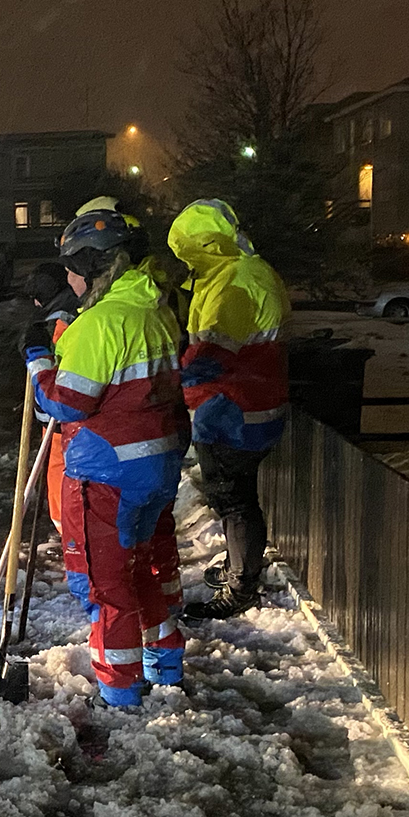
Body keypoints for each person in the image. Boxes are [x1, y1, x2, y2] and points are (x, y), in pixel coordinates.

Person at [22, 209, 190, 707]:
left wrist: (38, 361)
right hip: (155, 467)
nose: (69, 279)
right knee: (139, 571)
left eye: (72, 269)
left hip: (107, 473)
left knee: (104, 587)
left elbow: (66, 403)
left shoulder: (100, 324)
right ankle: (166, 665)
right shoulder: (153, 309)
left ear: (93, 267)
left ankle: (120, 695)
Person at [167, 199, 291, 621]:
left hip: (231, 410)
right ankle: (242, 566)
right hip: (252, 401)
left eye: (188, 252)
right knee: (239, 496)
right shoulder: (246, 272)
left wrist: (172, 376)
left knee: (233, 499)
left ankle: (241, 585)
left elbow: (212, 353)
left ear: (206, 245)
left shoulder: (233, 282)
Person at [24, 262, 79, 535]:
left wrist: (35, 355)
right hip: (63, 410)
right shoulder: (72, 305)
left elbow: (56, 363)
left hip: (60, 414)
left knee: (59, 467)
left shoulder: (59, 318)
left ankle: (67, 531)